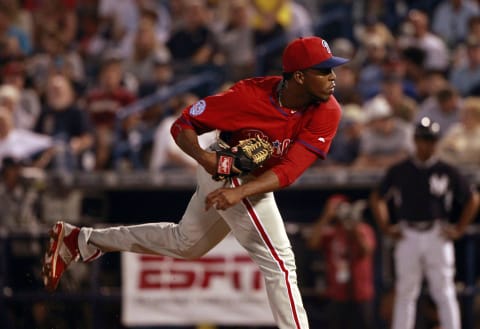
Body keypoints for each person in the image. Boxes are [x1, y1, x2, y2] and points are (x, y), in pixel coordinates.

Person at [42, 35, 349, 329]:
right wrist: (205, 158)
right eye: (323, 71)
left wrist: (240, 192)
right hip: (225, 167)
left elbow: (290, 171)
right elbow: (183, 125)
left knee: (185, 244)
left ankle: (82, 240)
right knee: (281, 263)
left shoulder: (328, 109)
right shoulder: (247, 96)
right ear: (297, 76)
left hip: (251, 181)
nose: (333, 76)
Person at [370, 117, 480, 329]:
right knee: (405, 290)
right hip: (408, 233)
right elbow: (378, 197)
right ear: (415, 140)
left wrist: (459, 229)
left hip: (437, 233)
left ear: (435, 142)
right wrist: (385, 226)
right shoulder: (401, 169)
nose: (425, 144)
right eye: (422, 139)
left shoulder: (446, 169)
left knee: (444, 290)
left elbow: (472, 199)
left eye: (430, 140)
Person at [307, 194, 376, 329]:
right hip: (337, 294)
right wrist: (326, 216)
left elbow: (366, 251)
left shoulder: (363, 229)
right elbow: (312, 243)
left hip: (361, 293)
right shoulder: (331, 232)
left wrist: (353, 226)